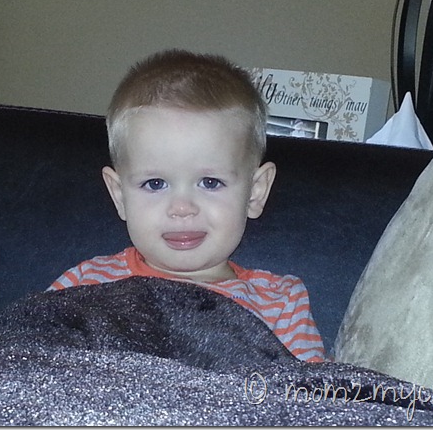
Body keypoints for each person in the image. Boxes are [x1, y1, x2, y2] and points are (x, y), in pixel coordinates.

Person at [48, 49, 325, 362]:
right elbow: (24, 355)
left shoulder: (281, 304)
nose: (182, 208)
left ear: (255, 192)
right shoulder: (85, 283)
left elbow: (312, 390)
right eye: (155, 184)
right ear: (120, 195)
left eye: (210, 182)